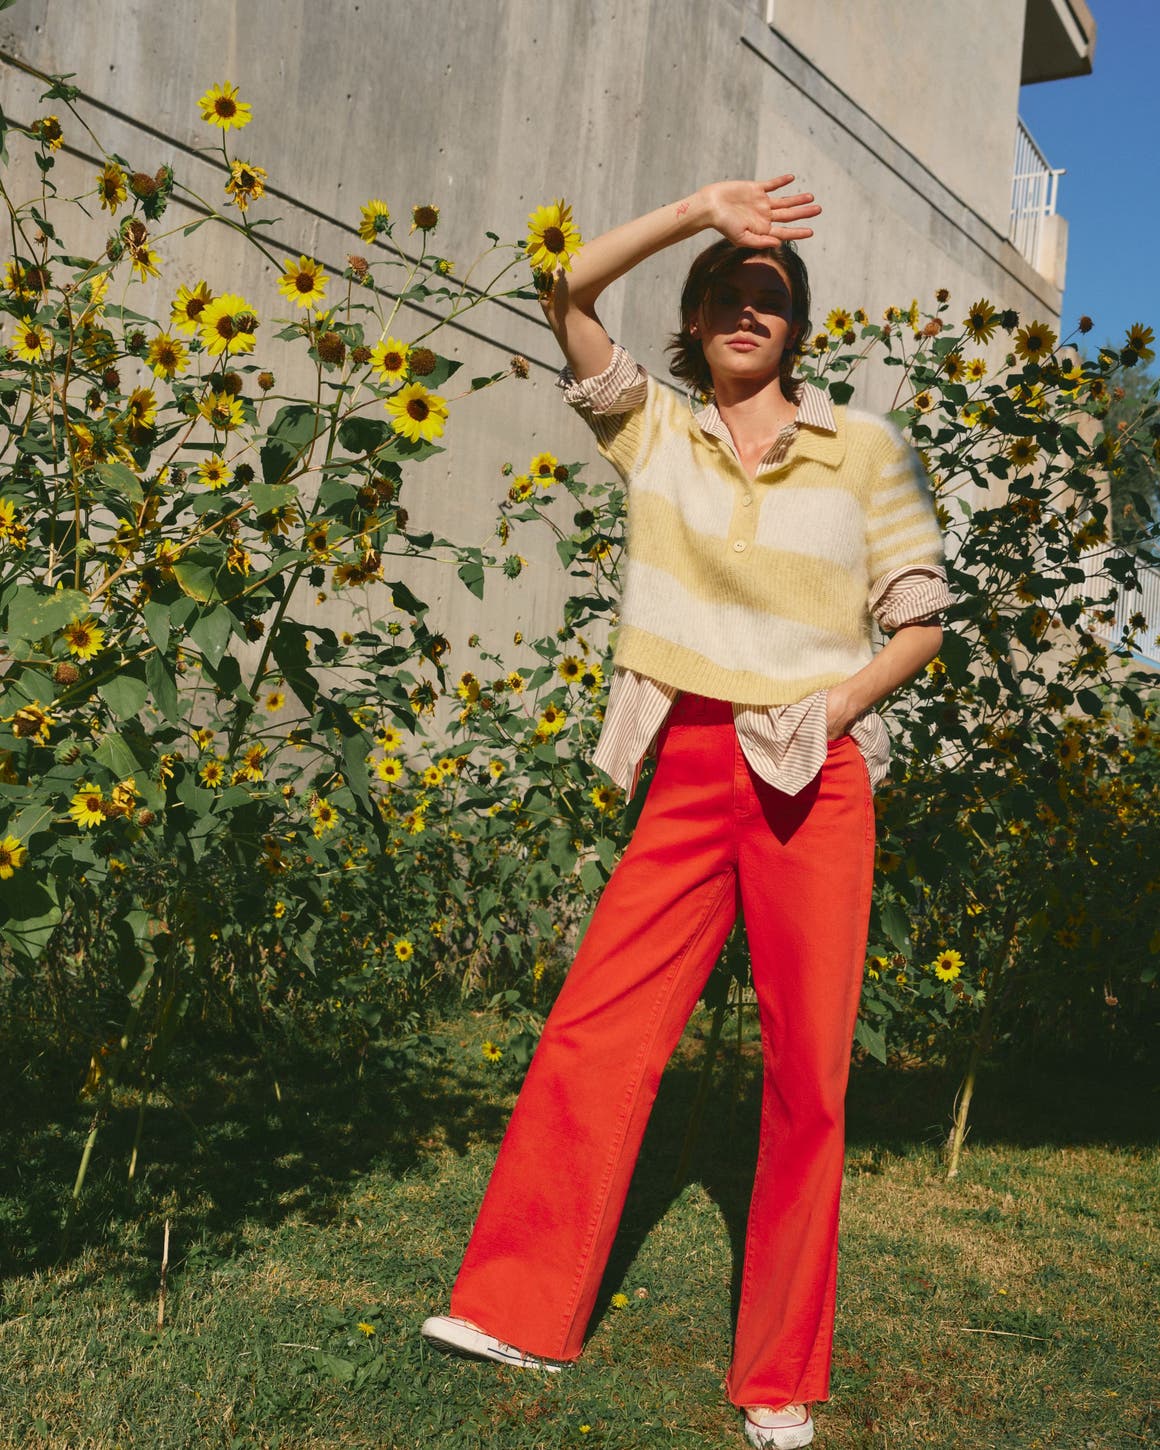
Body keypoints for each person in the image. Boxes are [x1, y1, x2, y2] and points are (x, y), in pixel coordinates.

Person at [422, 177, 949, 1449]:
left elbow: (918, 620)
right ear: (697, 315)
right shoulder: (654, 427)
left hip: (812, 770)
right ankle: (514, 1306)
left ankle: (777, 1375)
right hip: (690, 752)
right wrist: (696, 210)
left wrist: (828, 715)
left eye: (768, 294)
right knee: (599, 1027)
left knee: (807, 1072)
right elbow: (560, 289)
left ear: (797, 329)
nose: (745, 307)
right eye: (725, 291)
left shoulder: (865, 448)